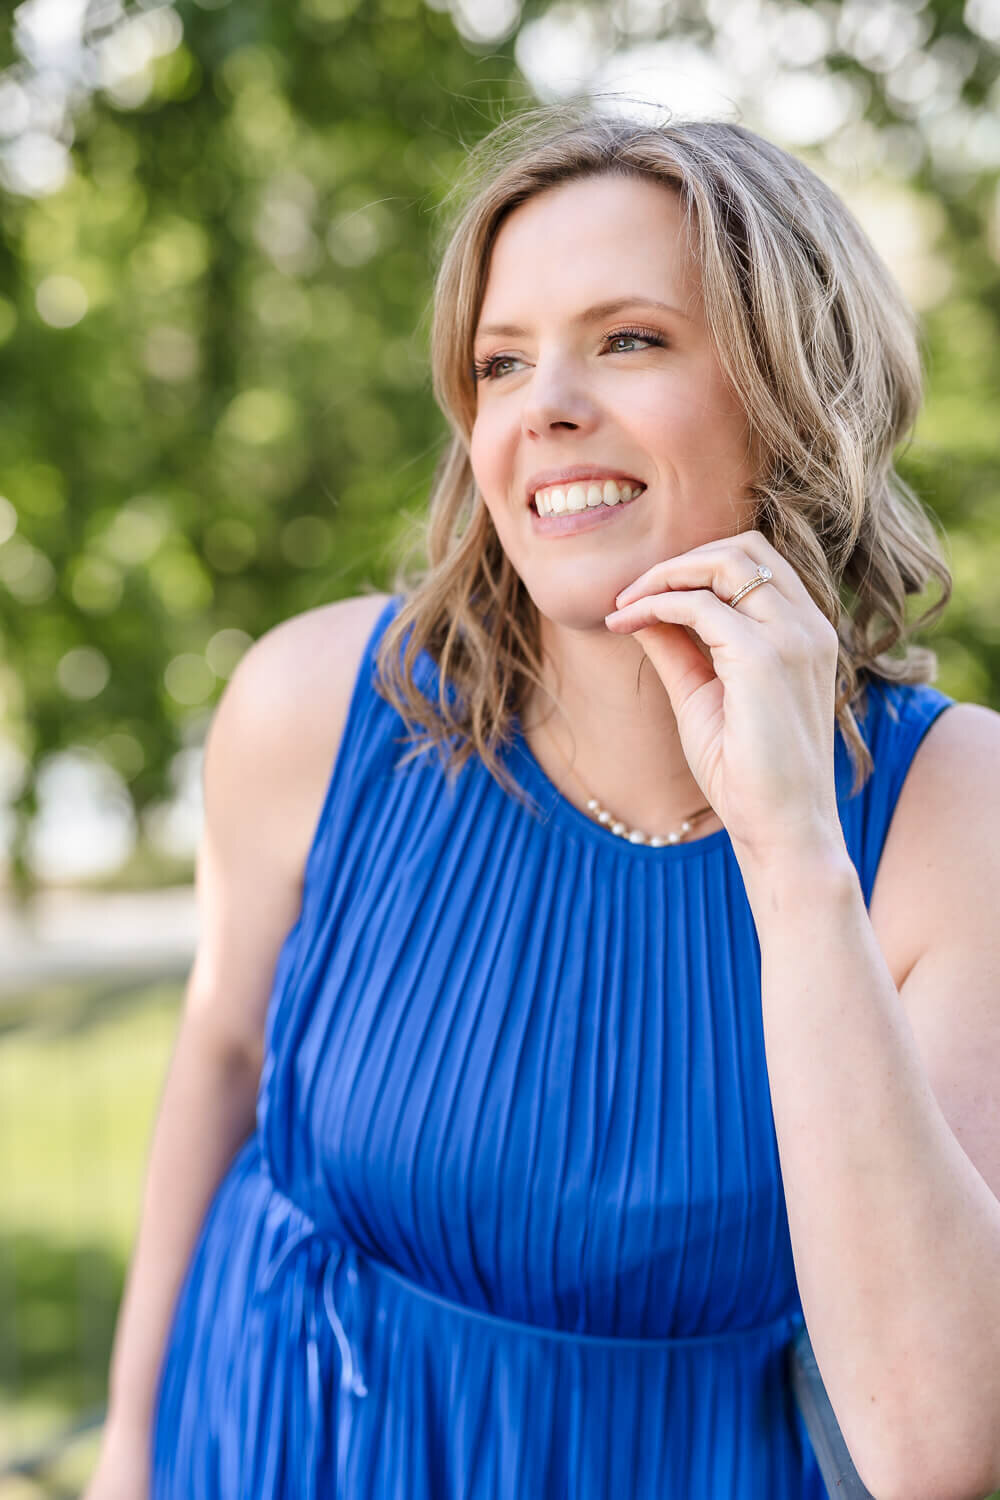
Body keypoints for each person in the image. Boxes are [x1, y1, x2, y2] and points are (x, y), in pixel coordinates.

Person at [84, 106, 1000, 1500]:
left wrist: (795, 848)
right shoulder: (312, 706)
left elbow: (940, 1445)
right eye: (500, 361)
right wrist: (128, 1452)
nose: (543, 406)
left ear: (791, 393)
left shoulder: (955, 810)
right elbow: (220, 1058)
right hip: (283, 1447)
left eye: (628, 339)